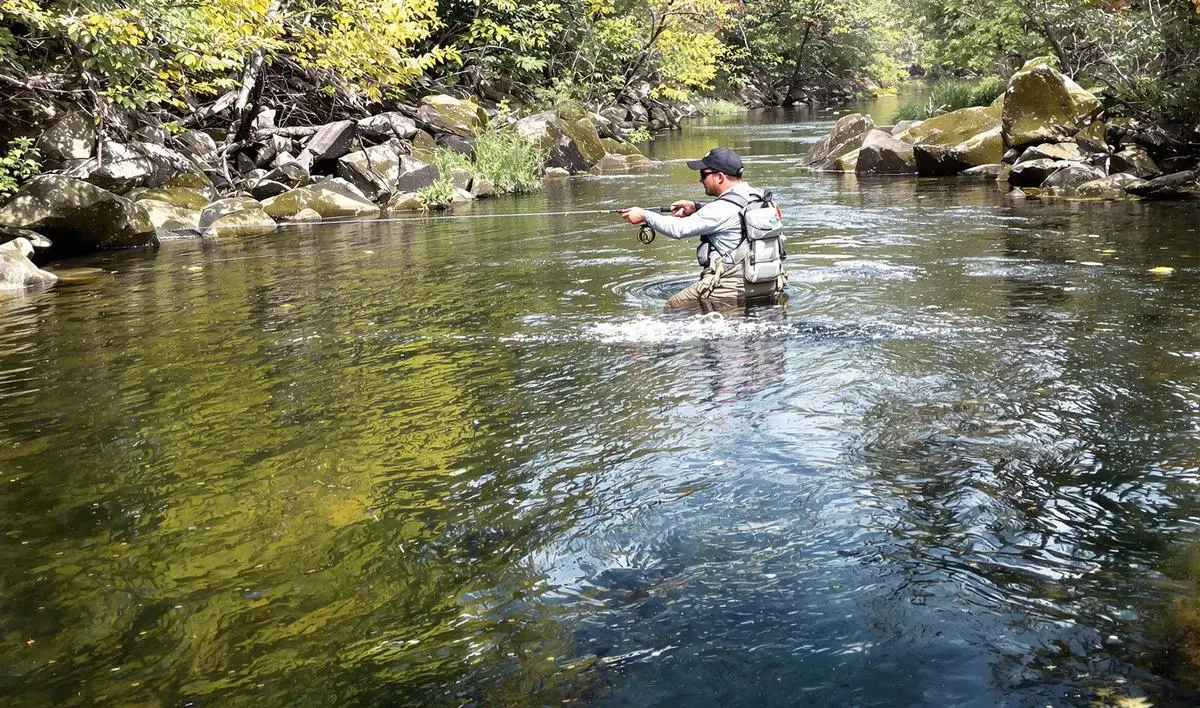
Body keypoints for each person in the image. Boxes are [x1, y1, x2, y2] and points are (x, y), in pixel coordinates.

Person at [620, 147, 785, 309]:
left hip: (733, 287)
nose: (700, 180)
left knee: (673, 305)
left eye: (703, 174)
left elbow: (678, 229)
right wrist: (696, 207)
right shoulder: (761, 198)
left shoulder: (720, 209)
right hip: (770, 283)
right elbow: (735, 215)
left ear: (719, 177)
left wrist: (645, 215)